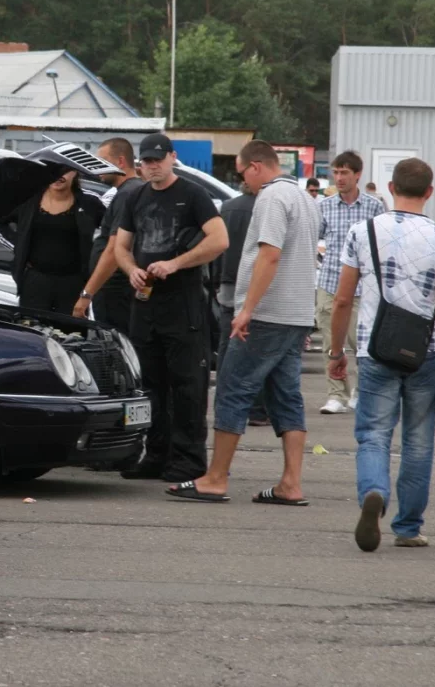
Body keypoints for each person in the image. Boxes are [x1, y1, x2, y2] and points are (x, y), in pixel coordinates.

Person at [166, 139, 319, 504]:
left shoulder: (271, 198)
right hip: (296, 313)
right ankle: (290, 483)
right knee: (286, 397)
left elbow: (270, 255)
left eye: (241, 174)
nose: (242, 184)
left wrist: (247, 308)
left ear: (255, 166)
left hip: (268, 313)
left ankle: (216, 478)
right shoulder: (306, 200)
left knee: (233, 388)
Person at [327, 158, 435, 551]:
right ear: (430, 191)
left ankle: (374, 492)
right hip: (426, 351)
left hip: (376, 349)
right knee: (419, 442)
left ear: (390, 187)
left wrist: (337, 351)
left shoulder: (362, 231)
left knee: (373, 433)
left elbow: (342, 300)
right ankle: (408, 527)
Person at [114, 132, 229, 482]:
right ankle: (156, 453)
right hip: (146, 306)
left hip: (183, 305)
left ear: (172, 157)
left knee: (187, 386)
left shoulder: (193, 195)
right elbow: (120, 247)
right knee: (150, 386)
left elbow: (220, 240)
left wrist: (176, 263)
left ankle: (189, 460)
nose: (152, 167)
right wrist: (131, 269)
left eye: (158, 160)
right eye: (146, 161)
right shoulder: (136, 197)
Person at [314, 151, 385, 415]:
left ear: (357, 174)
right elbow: (313, 237)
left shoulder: (374, 206)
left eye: (345, 172)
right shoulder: (324, 206)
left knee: (361, 342)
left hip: (361, 286)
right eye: (336, 172)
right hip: (330, 281)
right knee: (330, 342)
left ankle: (360, 390)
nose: (339, 177)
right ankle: (336, 394)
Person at [212, 179, 270, 427]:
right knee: (258, 348)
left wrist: (216, 280)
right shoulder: (266, 208)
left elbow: (217, 247)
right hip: (258, 284)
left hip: (228, 283)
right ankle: (257, 409)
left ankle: (223, 404)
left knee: (228, 345)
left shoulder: (227, 208)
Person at [8, 167, 104, 314]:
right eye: (54, 170)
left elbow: (113, 231)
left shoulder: (89, 203)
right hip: (35, 280)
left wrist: (98, 256)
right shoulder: (29, 200)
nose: (59, 176)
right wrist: (18, 244)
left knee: (71, 332)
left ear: (75, 172)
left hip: (73, 282)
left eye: (65, 171)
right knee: (31, 330)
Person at [75, 138, 142, 329]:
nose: (97, 168)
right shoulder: (129, 191)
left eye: (102, 161)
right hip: (115, 290)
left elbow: (114, 249)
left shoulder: (127, 194)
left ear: (120, 162)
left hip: (116, 290)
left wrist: (87, 294)